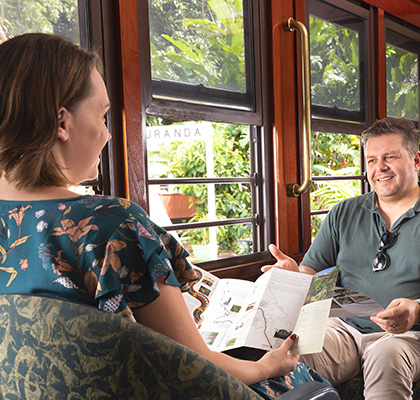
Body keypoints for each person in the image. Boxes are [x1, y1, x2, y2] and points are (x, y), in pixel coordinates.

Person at [0, 33, 328, 399]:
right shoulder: (112, 227)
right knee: (303, 376)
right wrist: (268, 366)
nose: (108, 134)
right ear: (62, 123)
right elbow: (196, 363)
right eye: (104, 115)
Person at [263, 117, 420, 399]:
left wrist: (417, 310)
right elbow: (311, 271)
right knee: (282, 355)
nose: (379, 168)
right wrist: (293, 276)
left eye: (389, 157)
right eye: (371, 160)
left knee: (386, 353)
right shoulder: (343, 213)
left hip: (412, 335)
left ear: (416, 160)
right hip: (343, 329)